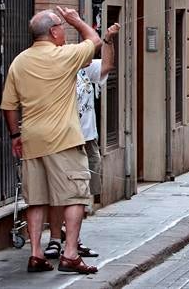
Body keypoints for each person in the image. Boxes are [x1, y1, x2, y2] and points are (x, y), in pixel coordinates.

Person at [0, 7, 101, 275]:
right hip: (64, 140)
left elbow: (8, 106)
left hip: (32, 140)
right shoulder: (64, 56)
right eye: (62, 28)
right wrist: (77, 20)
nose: (65, 32)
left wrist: (15, 135)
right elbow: (95, 40)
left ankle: (35, 254)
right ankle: (69, 254)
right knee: (75, 196)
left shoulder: (19, 62)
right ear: (54, 31)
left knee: (36, 200)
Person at [44, 22, 121, 261]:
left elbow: (108, 64)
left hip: (87, 140)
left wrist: (108, 40)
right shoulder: (58, 70)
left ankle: (73, 241)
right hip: (63, 139)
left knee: (83, 194)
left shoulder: (86, 70)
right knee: (59, 192)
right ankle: (56, 239)